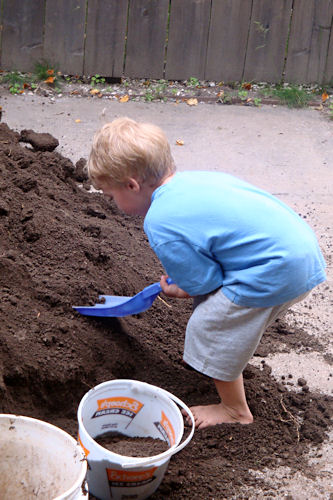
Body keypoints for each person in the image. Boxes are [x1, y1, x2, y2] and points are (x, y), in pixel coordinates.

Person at [87, 117, 327, 429]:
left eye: (110, 195)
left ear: (132, 185)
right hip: (301, 253)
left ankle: (234, 411)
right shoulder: (193, 181)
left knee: (210, 326)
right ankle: (228, 356)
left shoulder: (159, 221)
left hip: (274, 269)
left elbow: (205, 282)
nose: (112, 202)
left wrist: (181, 288)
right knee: (230, 318)